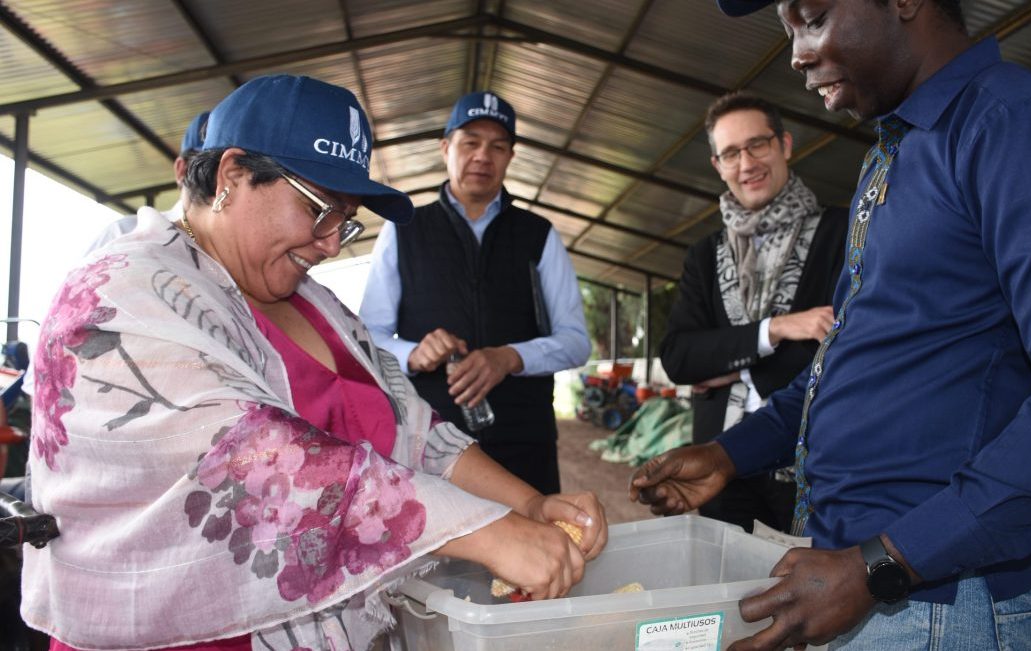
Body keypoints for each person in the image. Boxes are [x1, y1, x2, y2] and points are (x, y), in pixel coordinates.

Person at [630, 1, 1031, 649]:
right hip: (877, 580)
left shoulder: (1015, 126)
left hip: (941, 594)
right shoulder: (894, 153)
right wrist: (730, 452)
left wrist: (884, 561)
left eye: (812, 15)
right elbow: (845, 362)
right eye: (788, 29)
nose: (795, 53)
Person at [21, 74, 607, 651]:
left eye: (345, 219)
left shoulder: (313, 301)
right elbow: (251, 462)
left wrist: (527, 503)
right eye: (319, 208)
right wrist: (484, 530)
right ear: (232, 176)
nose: (332, 243)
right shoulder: (118, 297)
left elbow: (414, 429)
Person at [361, 91, 590, 496]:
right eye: (470, 142)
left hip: (524, 441)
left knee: (533, 546)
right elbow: (367, 335)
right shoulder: (405, 229)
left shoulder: (537, 234)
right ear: (446, 148)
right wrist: (412, 354)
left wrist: (510, 357)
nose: (483, 156)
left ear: (510, 157)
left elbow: (575, 342)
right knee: (438, 555)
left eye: (498, 146)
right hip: (432, 441)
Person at [657, 91, 846, 533]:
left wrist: (731, 362)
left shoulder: (841, 232)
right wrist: (777, 330)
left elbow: (844, 344)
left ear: (785, 144)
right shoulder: (704, 255)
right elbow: (679, 358)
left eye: (757, 145)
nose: (746, 164)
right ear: (717, 166)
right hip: (720, 469)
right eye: (730, 153)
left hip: (814, 462)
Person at [85, 109, 210, 252]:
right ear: (181, 170)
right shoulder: (123, 234)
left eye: (239, 168)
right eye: (209, 166)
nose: (225, 180)